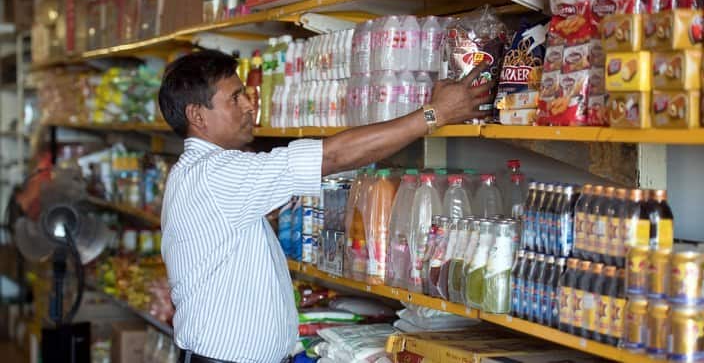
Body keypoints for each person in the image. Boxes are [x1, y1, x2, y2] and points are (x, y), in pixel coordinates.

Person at [158, 49, 493, 363]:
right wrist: (435, 114)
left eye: (245, 94)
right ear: (197, 115)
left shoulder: (202, 172)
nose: (249, 105)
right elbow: (332, 155)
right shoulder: (215, 173)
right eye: (235, 98)